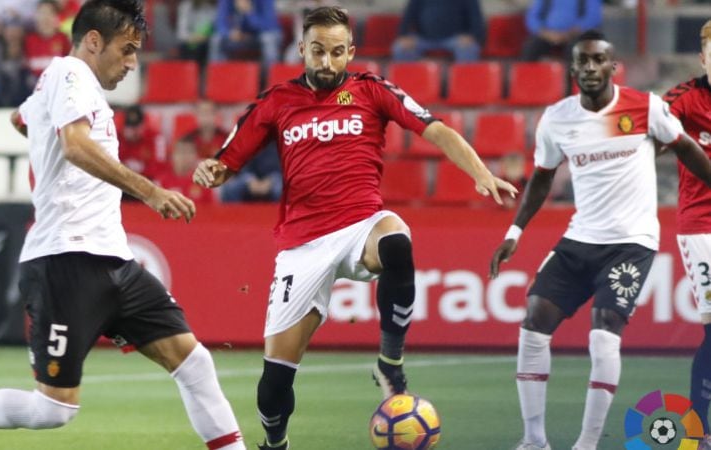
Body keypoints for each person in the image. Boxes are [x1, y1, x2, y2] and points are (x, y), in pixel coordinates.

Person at [193, 7, 517, 449]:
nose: (328, 63)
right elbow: (227, 160)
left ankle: (389, 361)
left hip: (361, 224)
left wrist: (479, 172)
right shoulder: (276, 102)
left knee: (398, 242)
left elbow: (435, 129)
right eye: (319, 52)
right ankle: (275, 443)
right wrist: (212, 172)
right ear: (303, 49)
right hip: (302, 245)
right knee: (273, 385)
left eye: (338, 52)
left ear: (352, 52)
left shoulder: (371, 90)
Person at [0, 2, 246, 449]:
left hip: (114, 259)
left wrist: (44, 140)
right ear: (93, 41)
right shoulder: (70, 74)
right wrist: (151, 192)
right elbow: (75, 147)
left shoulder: (59, 82)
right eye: (126, 50)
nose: (132, 62)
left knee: (193, 362)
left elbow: (19, 119)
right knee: (53, 409)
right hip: (66, 259)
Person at [489, 30, 711, 450]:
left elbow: (684, 148)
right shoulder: (557, 118)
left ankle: (587, 443)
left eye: (598, 60)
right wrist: (514, 232)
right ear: (572, 69)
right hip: (580, 238)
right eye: (582, 62)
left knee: (603, 331)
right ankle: (533, 440)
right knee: (534, 323)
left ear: (613, 67)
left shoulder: (645, 107)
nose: (590, 68)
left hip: (632, 242)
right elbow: (540, 179)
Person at [663, 19, 711, 449]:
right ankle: (699, 427)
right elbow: (649, 127)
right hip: (702, 229)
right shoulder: (685, 98)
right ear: (703, 57)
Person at [391, 0, 485, 63]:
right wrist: (403, 36)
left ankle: (464, 88)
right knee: (400, 48)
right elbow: (408, 16)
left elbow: (476, 19)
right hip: (424, 38)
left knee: (469, 48)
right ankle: (406, 88)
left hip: (455, 39)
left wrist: (473, 36)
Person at [209, 0, 281, 70]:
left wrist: (249, 12)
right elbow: (220, 23)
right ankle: (219, 76)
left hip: (258, 35)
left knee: (268, 38)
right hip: (238, 37)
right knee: (216, 39)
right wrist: (229, 33)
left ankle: (268, 79)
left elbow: (269, 26)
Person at [521, 0, 602, 62]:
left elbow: (592, 18)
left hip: (577, 34)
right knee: (531, 47)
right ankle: (527, 81)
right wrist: (547, 34)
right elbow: (532, 18)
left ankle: (571, 82)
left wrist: (568, 34)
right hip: (548, 35)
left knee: (575, 50)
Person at [155, 135, 216, 204]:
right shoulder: (161, 183)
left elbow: (211, 211)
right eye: (181, 152)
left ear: (195, 156)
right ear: (172, 155)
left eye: (189, 152)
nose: (184, 156)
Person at [24, 0, 72, 87]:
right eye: (42, 13)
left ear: (56, 16)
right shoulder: (29, 40)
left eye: (50, 13)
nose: (45, 17)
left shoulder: (63, 39)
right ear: (36, 15)